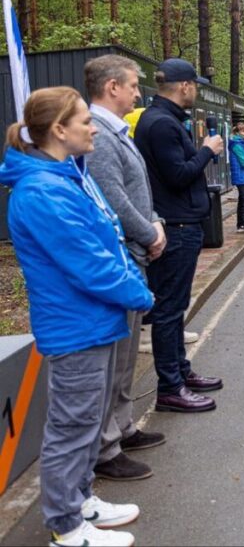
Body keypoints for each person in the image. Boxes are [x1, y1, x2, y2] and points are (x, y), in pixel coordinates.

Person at [1, 87, 154, 547]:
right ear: (59, 130)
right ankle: (66, 526)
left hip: (92, 319)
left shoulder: (64, 176)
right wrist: (139, 292)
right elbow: (90, 262)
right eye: (85, 120)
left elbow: (103, 239)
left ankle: (79, 499)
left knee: (86, 420)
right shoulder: (44, 191)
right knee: (72, 425)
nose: (95, 127)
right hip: (76, 325)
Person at [84, 56, 169, 483]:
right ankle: (105, 447)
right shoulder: (97, 136)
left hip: (135, 252)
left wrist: (153, 223)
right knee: (115, 357)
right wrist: (150, 233)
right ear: (112, 86)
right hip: (124, 256)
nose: (139, 94)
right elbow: (114, 199)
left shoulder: (117, 131)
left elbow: (137, 190)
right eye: (134, 86)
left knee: (126, 354)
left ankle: (122, 426)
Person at [133, 58, 224, 414]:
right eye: (195, 86)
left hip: (181, 223)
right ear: (184, 85)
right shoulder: (161, 125)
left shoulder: (164, 120)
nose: (196, 91)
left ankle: (180, 372)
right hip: (176, 227)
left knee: (174, 307)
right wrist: (207, 151)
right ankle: (170, 386)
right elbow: (177, 175)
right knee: (169, 310)